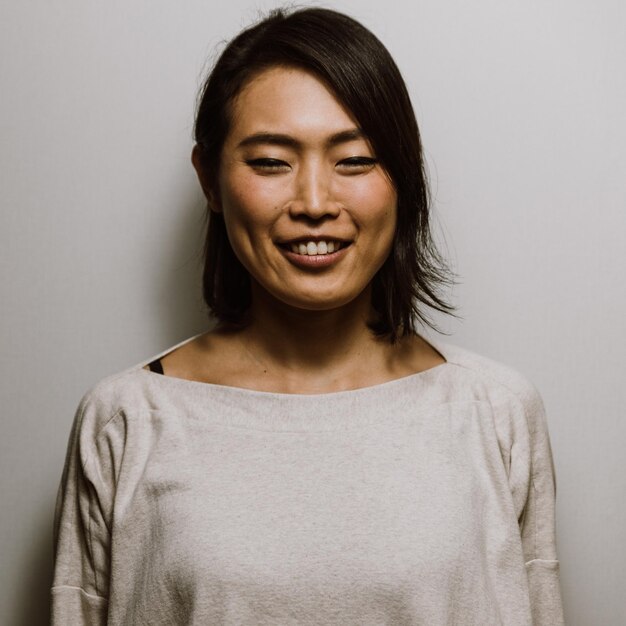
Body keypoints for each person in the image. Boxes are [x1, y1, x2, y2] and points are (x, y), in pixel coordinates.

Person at [51, 7, 564, 625]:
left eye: (355, 161)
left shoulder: (497, 412)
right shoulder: (125, 420)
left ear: (402, 178)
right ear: (210, 180)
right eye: (270, 162)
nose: (316, 203)